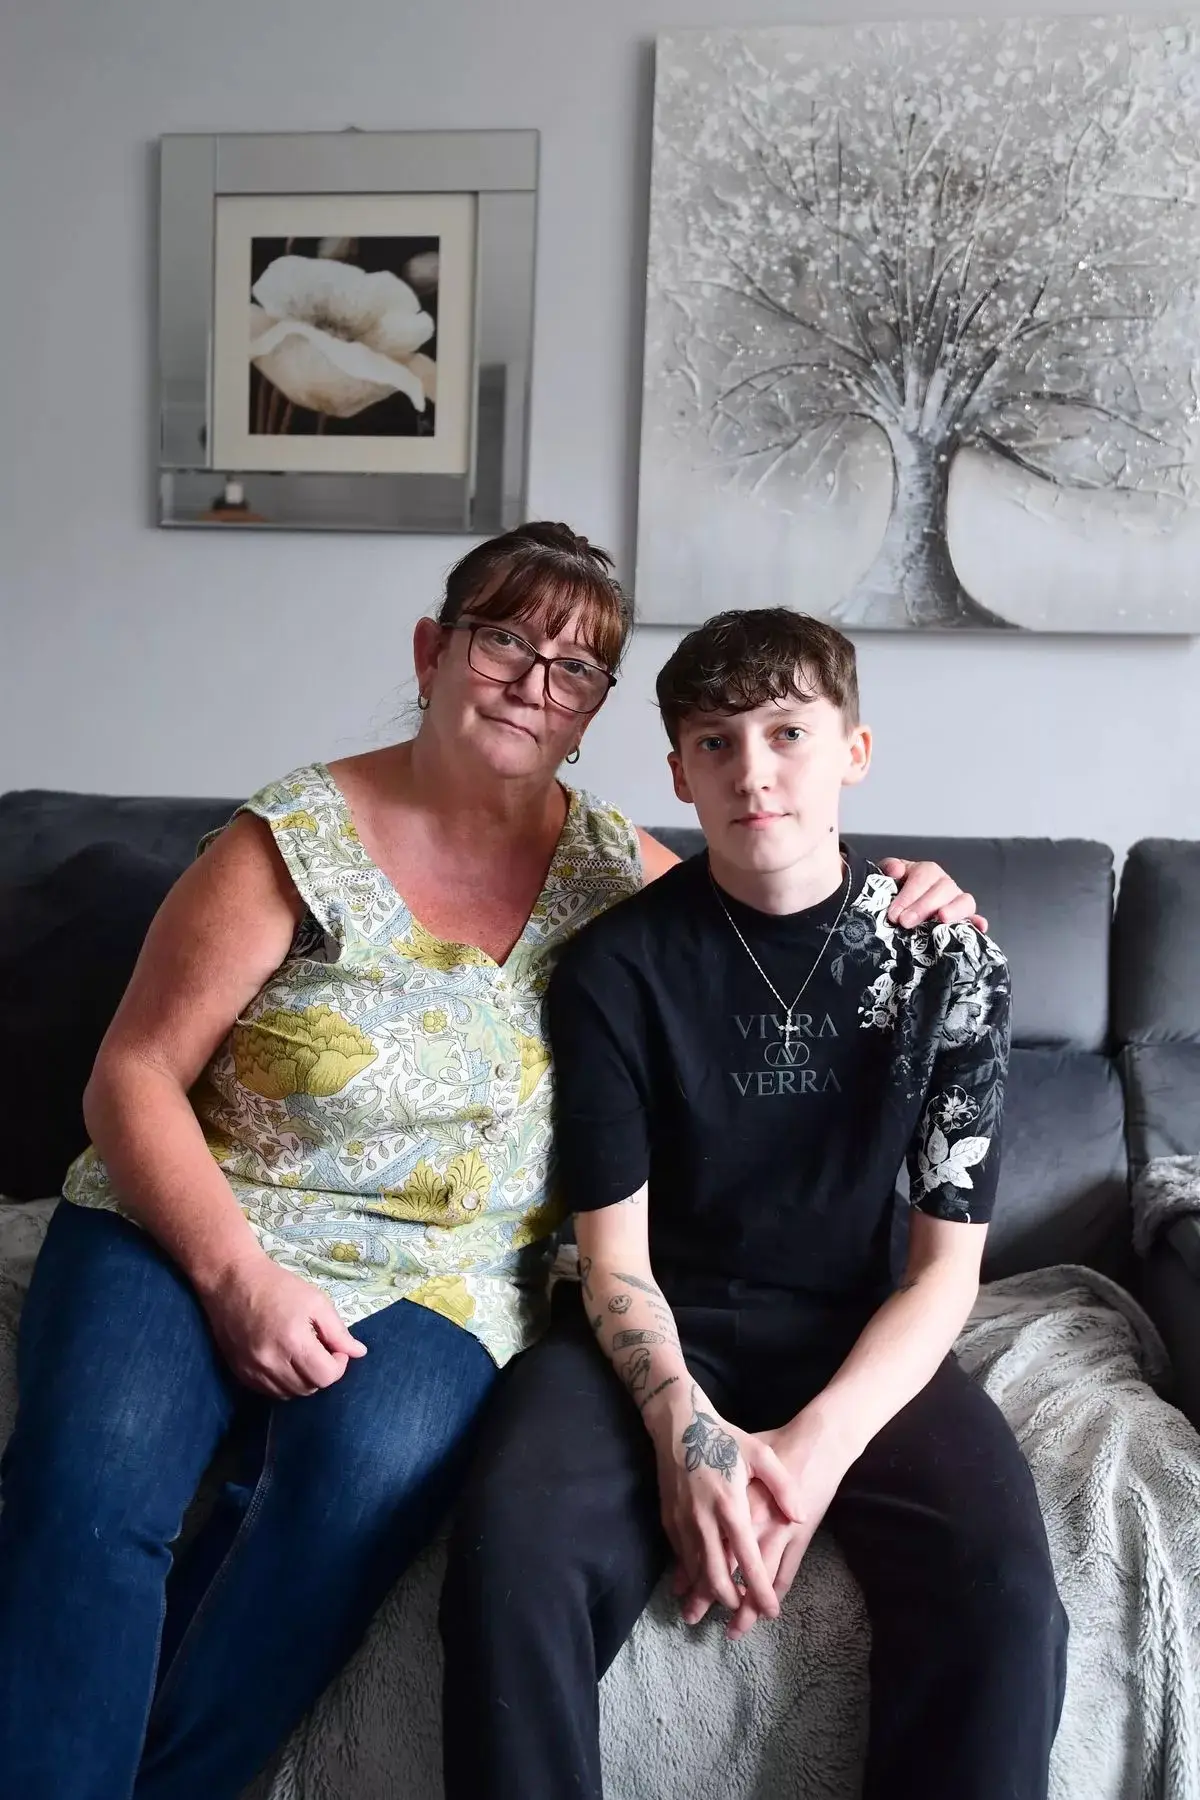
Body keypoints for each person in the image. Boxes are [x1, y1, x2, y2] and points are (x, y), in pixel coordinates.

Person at [0, 527, 982, 1800]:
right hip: (190, 1218)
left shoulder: (619, 875)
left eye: (575, 668)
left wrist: (914, 896)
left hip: (443, 1280)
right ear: (436, 650)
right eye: (505, 640)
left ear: (597, 716)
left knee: (357, 1487)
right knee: (96, 1494)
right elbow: (128, 1078)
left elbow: (778, 916)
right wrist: (237, 1279)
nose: (533, 680)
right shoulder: (288, 839)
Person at [439, 606, 1068, 1800]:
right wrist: (689, 1441)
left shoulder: (948, 961)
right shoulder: (615, 970)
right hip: (651, 1326)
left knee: (1005, 1593)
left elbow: (946, 1273)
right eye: (716, 743)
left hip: (853, 1322)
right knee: (506, 1564)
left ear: (854, 750)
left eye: (787, 731)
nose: (754, 771)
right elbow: (612, 1265)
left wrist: (814, 1453)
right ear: (677, 769)